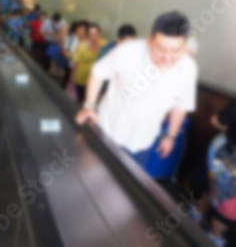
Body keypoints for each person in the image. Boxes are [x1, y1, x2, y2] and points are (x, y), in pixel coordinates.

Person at [75, 11, 198, 170]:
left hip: (143, 144)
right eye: (161, 48)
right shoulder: (128, 51)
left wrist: (170, 136)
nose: (167, 57)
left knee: (125, 189)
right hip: (108, 133)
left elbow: (181, 105)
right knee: (90, 175)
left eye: (176, 50)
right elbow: (98, 73)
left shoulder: (188, 68)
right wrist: (89, 105)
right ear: (150, 39)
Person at [206, 100, 236, 247]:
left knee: (219, 192)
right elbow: (215, 120)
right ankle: (214, 236)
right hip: (225, 155)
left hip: (226, 153)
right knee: (227, 202)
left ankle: (198, 212)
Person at [71, 24, 107, 103]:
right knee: (82, 98)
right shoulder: (81, 46)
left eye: (95, 34)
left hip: (97, 79)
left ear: (99, 34)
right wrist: (73, 77)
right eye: (90, 34)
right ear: (87, 35)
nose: (93, 36)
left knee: (92, 100)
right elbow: (75, 63)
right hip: (81, 78)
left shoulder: (105, 45)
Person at [61, 20, 90, 90]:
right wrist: (66, 53)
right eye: (77, 30)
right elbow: (64, 49)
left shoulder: (89, 44)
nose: (78, 33)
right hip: (70, 67)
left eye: (81, 31)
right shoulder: (73, 38)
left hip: (83, 73)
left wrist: (72, 56)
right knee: (67, 84)